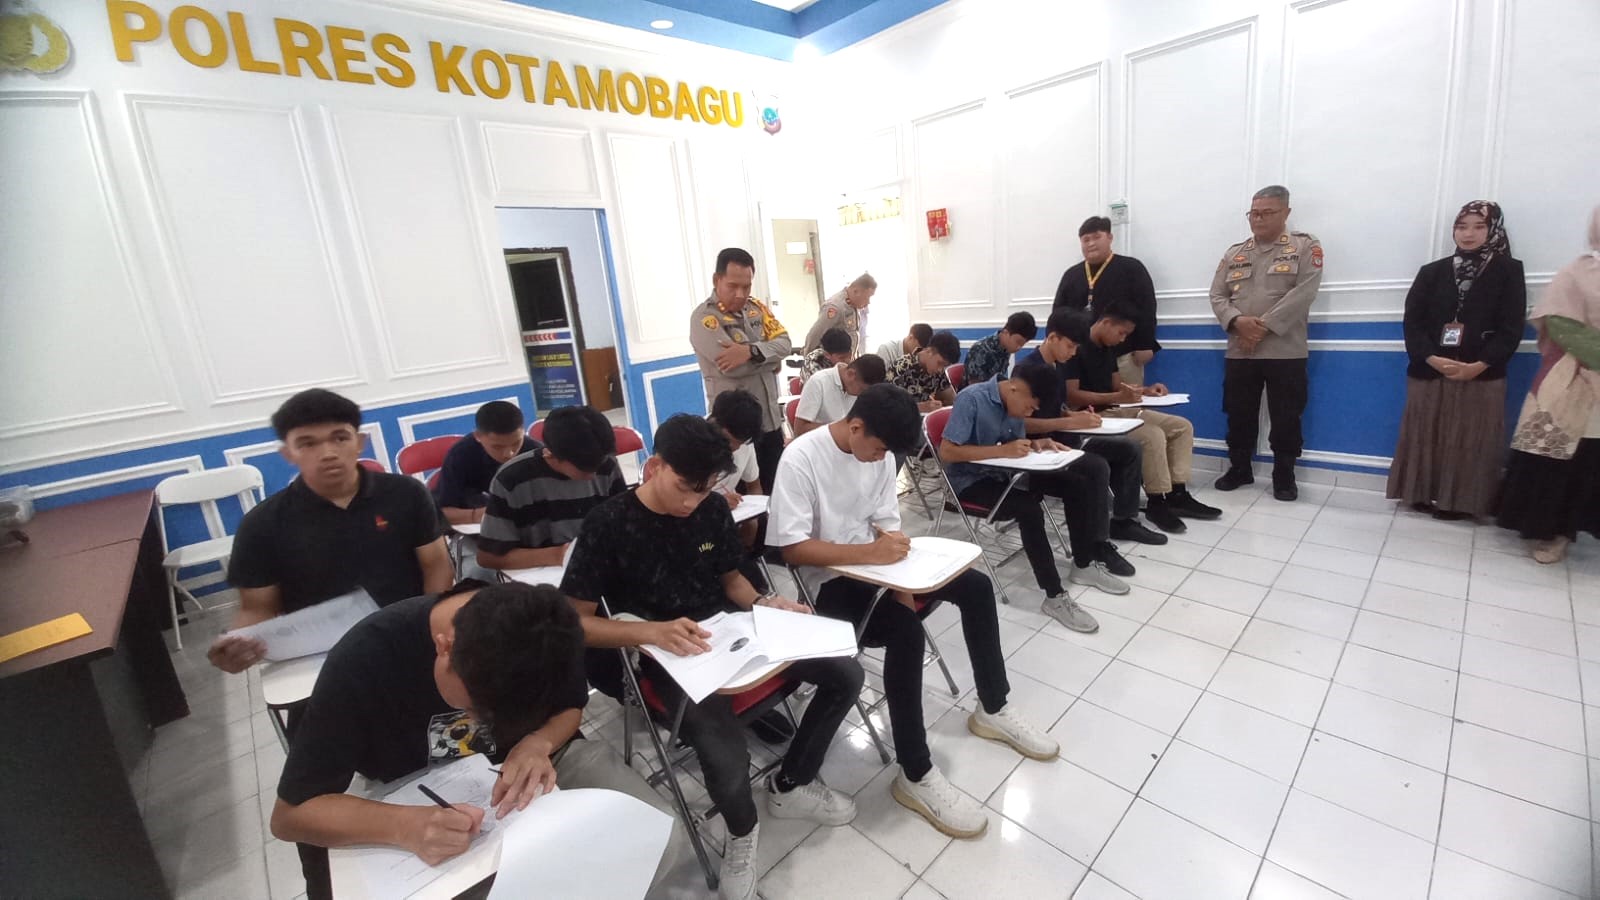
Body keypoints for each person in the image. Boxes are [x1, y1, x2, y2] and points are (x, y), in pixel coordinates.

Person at [560, 414, 865, 900]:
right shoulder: (607, 523)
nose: (692, 503)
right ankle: (742, 833)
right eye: (685, 488)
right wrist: (649, 632)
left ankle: (790, 785)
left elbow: (732, 580)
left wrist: (766, 603)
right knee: (725, 751)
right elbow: (574, 622)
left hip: (730, 629)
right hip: (664, 654)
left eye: (704, 491)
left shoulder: (711, 509)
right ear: (654, 466)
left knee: (846, 674)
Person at [269, 580, 701, 900]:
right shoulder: (366, 658)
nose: (481, 724)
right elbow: (291, 815)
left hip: (540, 764)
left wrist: (537, 741)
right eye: (478, 709)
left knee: (661, 839)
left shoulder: (542, 630)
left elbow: (570, 707)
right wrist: (405, 826)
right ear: (444, 648)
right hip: (416, 792)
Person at [772, 383, 1058, 839]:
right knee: (906, 632)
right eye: (879, 449)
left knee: (976, 587)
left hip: (878, 567)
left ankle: (993, 706)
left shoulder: (880, 453)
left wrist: (899, 581)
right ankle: (916, 773)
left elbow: (887, 522)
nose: (882, 459)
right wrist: (872, 558)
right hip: (827, 584)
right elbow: (792, 548)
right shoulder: (801, 458)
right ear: (856, 426)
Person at [208, 389, 452, 674]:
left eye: (340, 438)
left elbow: (436, 565)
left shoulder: (406, 494)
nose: (328, 454)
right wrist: (237, 644)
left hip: (411, 635)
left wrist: (429, 626)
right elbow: (257, 608)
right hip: (322, 656)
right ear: (288, 453)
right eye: (307, 443)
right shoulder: (262, 524)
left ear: (359, 442)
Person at [941, 363, 1135, 613]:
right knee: (1029, 509)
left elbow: (1013, 442)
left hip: (1005, 473)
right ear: (1015, 388)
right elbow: (947, 452)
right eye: (1030, 407)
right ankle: (1054, 596)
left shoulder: (1014, 402)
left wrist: (1035, 444)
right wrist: (1002, 451)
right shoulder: (971, 399)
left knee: (1077, 485)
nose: (1029, 413)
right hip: (970, 482)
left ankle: (1083, 565)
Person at [1388, 201, 1527, 520]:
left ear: (1493, 230)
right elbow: (1413, 322)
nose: (1468, 234)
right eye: (1462, 226)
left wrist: (1479, 365)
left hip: (1480, 372)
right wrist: (1431, 358)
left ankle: (1461, 502)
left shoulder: (1508, 271)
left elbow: (1511, 327)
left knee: (1470, 437)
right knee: (1426, 432)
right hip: (1429, 369)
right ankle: (1419, 493)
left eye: (1479, 226)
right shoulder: (1432, 272)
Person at [1496, 205, 1600, 564]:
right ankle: (1555, 532)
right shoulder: (1578, 272)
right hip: (1577, 377)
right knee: (1568, 461)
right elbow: (1560, 323)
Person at [1209, 185, 1324, 501]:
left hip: (1285, 351)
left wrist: (1261, 328)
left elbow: (1305, 292)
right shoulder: (1235, 253)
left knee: (1286, 415)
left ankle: (1284, 476)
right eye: (1254, 213)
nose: (1258, 219)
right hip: (1240, 350)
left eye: (1266, 213)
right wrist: (1237, 322)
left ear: (1286, 212)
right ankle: (1239, 468)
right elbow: (1217, 295)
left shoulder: (1304, 246)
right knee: (1238, 412)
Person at [1019, 310, 1172, 545]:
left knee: (1129, 448)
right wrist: (1068, 422)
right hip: (1040, 450)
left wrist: (1074, 415)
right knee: (1096, 466)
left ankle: (1124, 521)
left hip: (1066, 440)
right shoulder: (1026, 370)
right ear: (1052, 338)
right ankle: (1099, 542)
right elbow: (1021, 423)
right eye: (1070, 346)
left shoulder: (1056, 366)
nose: (1073, 353)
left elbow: (1053, 408)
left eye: (1076, 348)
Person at [1065, 304, 1222, 532]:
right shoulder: (1074, 347)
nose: (1122, 339)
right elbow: (1072, 396)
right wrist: (1116, 396)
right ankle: (1157, 502)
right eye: (1121, 333)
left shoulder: (1107, 348)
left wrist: (1144, 390)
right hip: (1092, 416)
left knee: (1181, 426)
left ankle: (1178, 494)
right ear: (1106, 323)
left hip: (1118, 409)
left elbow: (1117, 386)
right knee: (1151, 435)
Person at [690, 247, 792, 494]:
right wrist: (770, 358)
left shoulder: (757, 309)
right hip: (734, 432)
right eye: (733, 286)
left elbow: (786, 344)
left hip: (769, 423)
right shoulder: (705, 318)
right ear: (717, 280)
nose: (741, 294)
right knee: (741, 500)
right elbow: (733, 369)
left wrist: (751, 351)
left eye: (746, 287)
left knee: (775, 493)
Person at [475, 405, 625, 572]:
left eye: (599, 464)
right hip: (540, 575)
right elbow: (489, 557)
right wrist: (558, 555)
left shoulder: (607, 465)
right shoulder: (511, 479)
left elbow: (623, 527)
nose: (593, 475)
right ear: (551, 453)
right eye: (584, 468)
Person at [1053, 216, 1163, 386]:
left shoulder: (1131, 268)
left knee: (1128, 399)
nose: (1091, 243)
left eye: (1097, 237)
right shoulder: (1071, 275)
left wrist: (1145, 344)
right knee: (1082, 399)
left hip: (1124, 354)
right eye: (1086, 239)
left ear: (1110, 237)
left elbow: (1147, 307)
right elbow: (1058, 314)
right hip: (1078, 356)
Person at [433, 400, 540, 526]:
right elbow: (440, 513)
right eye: (497, 447)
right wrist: (477, 515)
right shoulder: (461, 454)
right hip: (477, 526)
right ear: (478, 436)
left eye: (516, 443)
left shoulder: (536, 453)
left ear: (523, 431)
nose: (509, 454)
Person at [793, 353, 888, 437]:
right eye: (861, 389)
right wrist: (840, 429)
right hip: (821, 444)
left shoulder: (859, 387)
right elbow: (800, 429)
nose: (862, 394)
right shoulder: (819, 382)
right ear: (851, 374)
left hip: (849, 445)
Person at [888, 330, 962, 412]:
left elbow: (952, 400)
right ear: (929, 351)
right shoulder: (901, 367)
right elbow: (888, 405)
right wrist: (920, 407)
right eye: (940, 363)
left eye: (945, 366)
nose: (940, 370)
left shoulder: (938, 373)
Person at [803, 273, 876, 354]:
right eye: (867, 297)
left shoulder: (853, 306)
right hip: (833, 360)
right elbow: (815, 336)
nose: (868, 302)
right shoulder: (835, 307)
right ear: (856, 291)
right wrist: (808, 357)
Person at [960, 312, 1037, 388]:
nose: (1019, 348)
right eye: (1018, 342)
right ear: (1006, 332)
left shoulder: (1005, 348)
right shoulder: (980, 350)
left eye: (1023, 344)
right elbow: (975, 388)